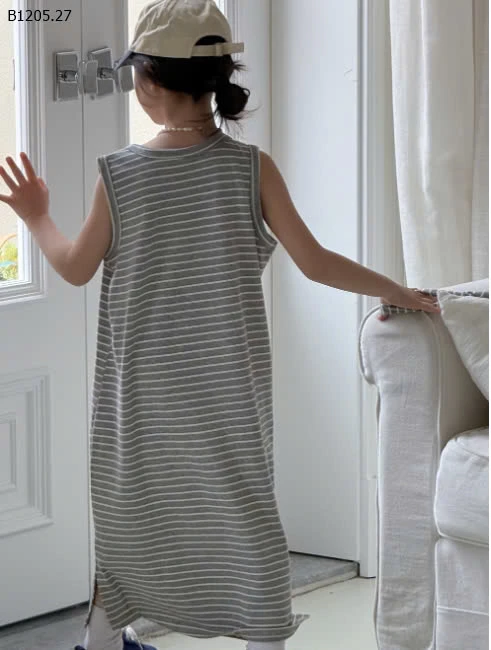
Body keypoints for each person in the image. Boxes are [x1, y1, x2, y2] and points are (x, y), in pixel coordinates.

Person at [0, 1, 441, 649]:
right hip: (229, 395)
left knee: (134, 516)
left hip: (141, 398)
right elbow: (316, 262)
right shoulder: (250, 168)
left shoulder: (119, 174)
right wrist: (395, 290)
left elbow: (73, 268)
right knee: (243, 514)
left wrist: (36, 216)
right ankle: (262, 637)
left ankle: (103, 638)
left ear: (148, 80)